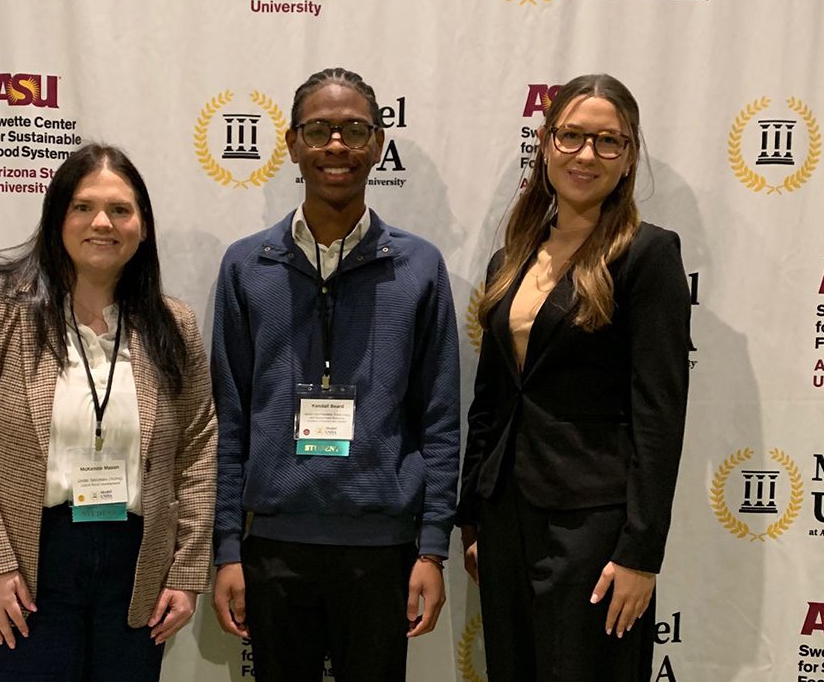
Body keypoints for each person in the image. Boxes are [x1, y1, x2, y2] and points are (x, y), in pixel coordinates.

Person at [0, 144, 217, 681]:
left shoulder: (173, 323)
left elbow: (198, 447)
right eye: (83, 207)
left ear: (142, 226)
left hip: (136, 568)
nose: (103, 222)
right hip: (25, 557)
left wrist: (185, 573)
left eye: (121, 209)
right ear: (56, 218)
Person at [210, 67, 461, 682]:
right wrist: (226, 549)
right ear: (293, 144)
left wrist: (432, 547)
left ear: (378, 143)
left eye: (354, 130)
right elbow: (229, 417)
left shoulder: (419, 266)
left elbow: (441, 420)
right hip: (274, 548)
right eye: (319, 130)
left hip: (382, 551)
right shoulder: (248, 265)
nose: (337, 146)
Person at [457, 74, 691, 681]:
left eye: (607, 141)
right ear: (545, 143)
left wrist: (641, 553)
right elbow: (492, 399)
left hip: (593, 526)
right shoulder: (508, 257)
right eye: (572, 136)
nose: (586, 155)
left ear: (629, 156)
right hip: (506, 517)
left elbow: (659, 414)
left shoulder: (648, 254)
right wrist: (473, 518)